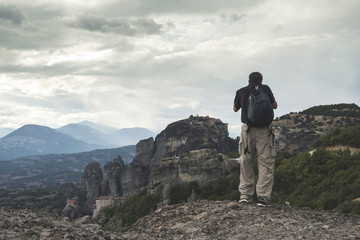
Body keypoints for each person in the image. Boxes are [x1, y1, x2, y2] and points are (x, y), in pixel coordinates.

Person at [233, 72, 278, 207]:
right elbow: (275, 105)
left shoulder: (241, 91)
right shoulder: (266, 89)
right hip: (264, 131)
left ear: (248, 80)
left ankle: (245, 195)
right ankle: (263, 197)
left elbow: (235, 109)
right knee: (265, 162)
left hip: (247, 130)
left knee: (246, 161)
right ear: (262, 80)